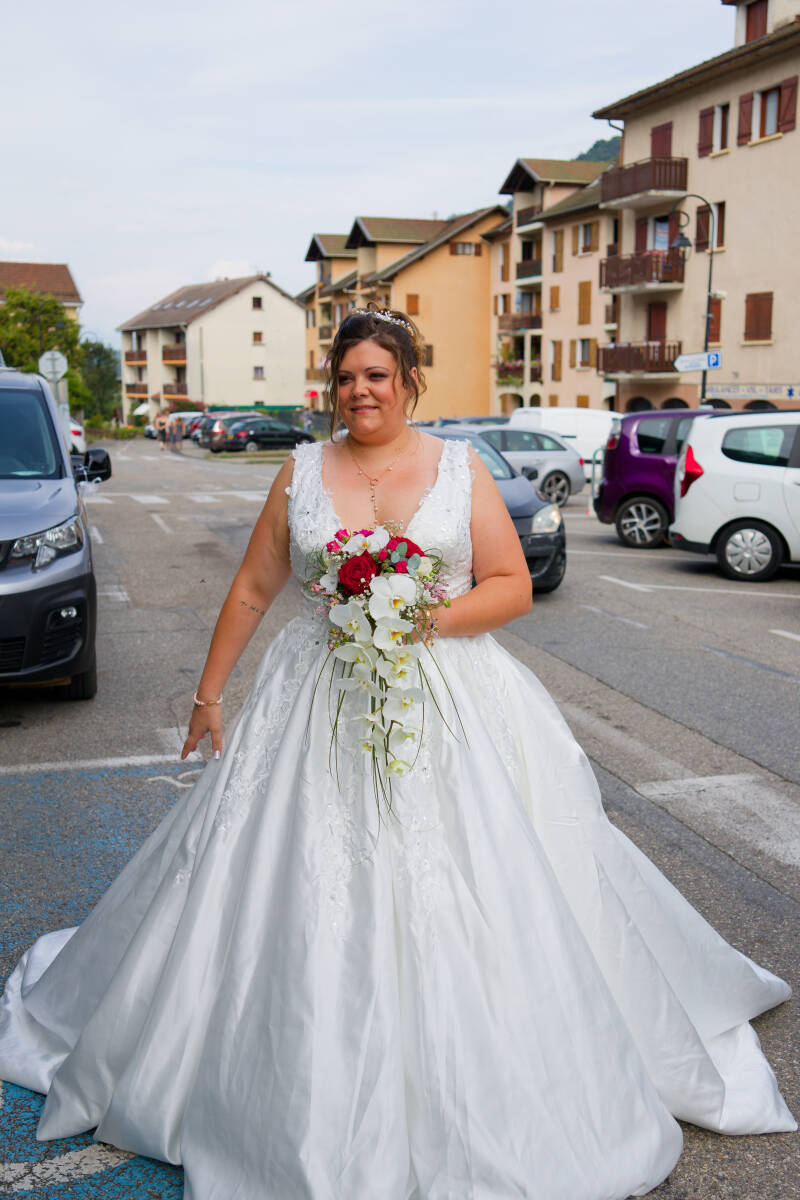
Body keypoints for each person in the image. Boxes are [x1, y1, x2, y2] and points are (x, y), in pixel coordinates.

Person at [0, 306, 794, 1199]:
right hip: (316, 695)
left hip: (451, 696)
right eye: (345, 378)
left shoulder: (458, 468)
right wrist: (210, 693)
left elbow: (512, 586)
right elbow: (257, 587)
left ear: (410, 380)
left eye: (377, 375)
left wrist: (419, 621)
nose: (359, 392)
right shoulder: (301, 471)